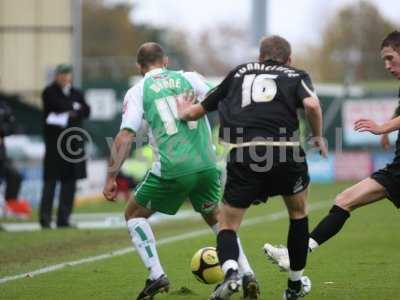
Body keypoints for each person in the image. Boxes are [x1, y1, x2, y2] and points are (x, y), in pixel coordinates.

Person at [102, 42, 256, 300]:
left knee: (133, 214)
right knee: (219, 220)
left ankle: (156, 275)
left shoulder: (138, 91)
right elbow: (223, 101)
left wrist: (110, 177)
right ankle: (247, 273)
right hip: (207, 165)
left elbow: (126, 135)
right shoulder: (190, 78)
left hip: (173, 168)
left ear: (139, 67)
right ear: (166, 61)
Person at [177, 35, 326, 300]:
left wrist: (183, 110)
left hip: (244, 154)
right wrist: (318, 136)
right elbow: (312, 104)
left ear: (260, 57)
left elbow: (195, 113)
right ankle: (293, 286)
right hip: (285, 151)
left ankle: (233, 272)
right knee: (298, 213)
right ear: (288, 60)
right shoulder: (294, 74)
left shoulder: (238, 73)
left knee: (227, 224)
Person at [264, 30, 400, 274]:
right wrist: (390, 128)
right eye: (384, 61)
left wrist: (383, 127)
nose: (387, 65)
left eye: (390, 58)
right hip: (397, 170)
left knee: (345, 200)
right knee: (344, 201)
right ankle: (296, 254)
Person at [39, 64, 90, 228]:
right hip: (55, 144)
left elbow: (87, 110)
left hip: (72, 144)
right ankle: (45, 219)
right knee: (51, 181)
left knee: (70, 182)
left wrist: (73, 108)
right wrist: (74, 107)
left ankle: (64, 219)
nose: (64, 77)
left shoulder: (76, 92)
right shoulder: (49, 92)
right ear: (56, 76)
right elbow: (58, 105)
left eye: (67, 74)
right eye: (61, 74)